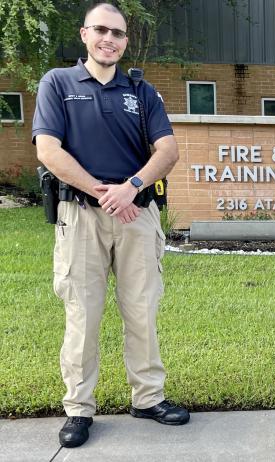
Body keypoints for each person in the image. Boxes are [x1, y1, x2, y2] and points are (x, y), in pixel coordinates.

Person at [32, 3, 189, 448]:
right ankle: (79, 409)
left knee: (141, 309)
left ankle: (148, 397)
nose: (110, 39)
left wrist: (132, 186)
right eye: (101, 30)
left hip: (138, 216)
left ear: (125, 41)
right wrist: (106, 192)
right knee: (83, 313)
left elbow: (167, 151)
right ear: (85, 34)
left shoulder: (142, 92)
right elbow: (49, 150)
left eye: (118, 33)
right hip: (81, 217)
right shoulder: (58, 84)